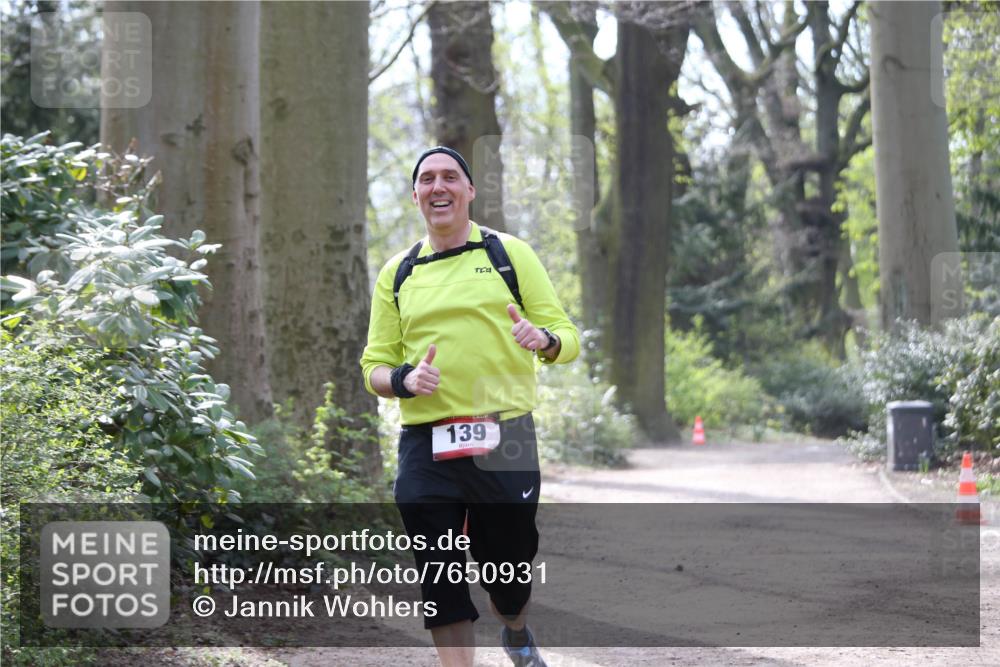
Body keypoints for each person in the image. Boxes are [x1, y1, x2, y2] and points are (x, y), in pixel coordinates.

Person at [360, 146, 579, 667]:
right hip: (425, 441)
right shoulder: (398, 272)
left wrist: (542, 338)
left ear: (469, 191)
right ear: (415, 195)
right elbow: (373, 366)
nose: (439, 186)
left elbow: (568, 337)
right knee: (438, 570)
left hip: (504, 434)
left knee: (508, 564)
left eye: (450, 177)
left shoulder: (509, 254)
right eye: (427, 179)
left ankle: (517, 628)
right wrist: (404, 379)